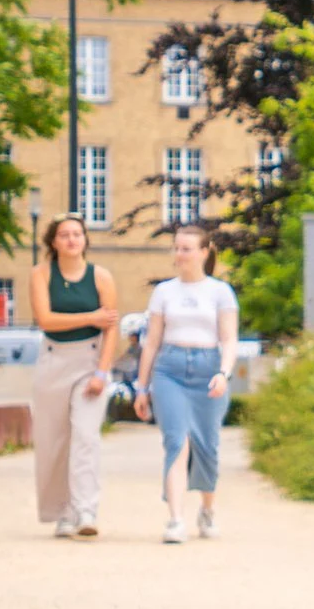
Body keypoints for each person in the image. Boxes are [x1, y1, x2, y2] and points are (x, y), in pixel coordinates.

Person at [131, 224, 238, 545]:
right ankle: (175, 519)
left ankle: (207, 509)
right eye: (177, 248)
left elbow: (229, 338)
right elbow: (151, 342)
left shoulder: (220, 292)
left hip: (207, 369)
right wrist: (142, 386)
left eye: (187, 249)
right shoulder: (164, 291)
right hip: (170, 370)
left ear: (204, 252)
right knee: (176, 441)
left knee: (207, 444)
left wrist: (223, 372)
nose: (180, 254)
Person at [28, 214, 120, 538]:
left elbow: (111, 327)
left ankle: (85, 509)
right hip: (53, 361)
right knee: (54, 440)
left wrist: (102, 372)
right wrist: (90, 316)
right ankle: (61, 511)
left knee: (86, 435)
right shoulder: (41, 275)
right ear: (53, 242)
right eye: (64, 235)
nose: (71, 240)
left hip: (89, 360)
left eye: (77, 234)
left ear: (85, 240)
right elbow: (46, 320)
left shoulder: (101, 277)